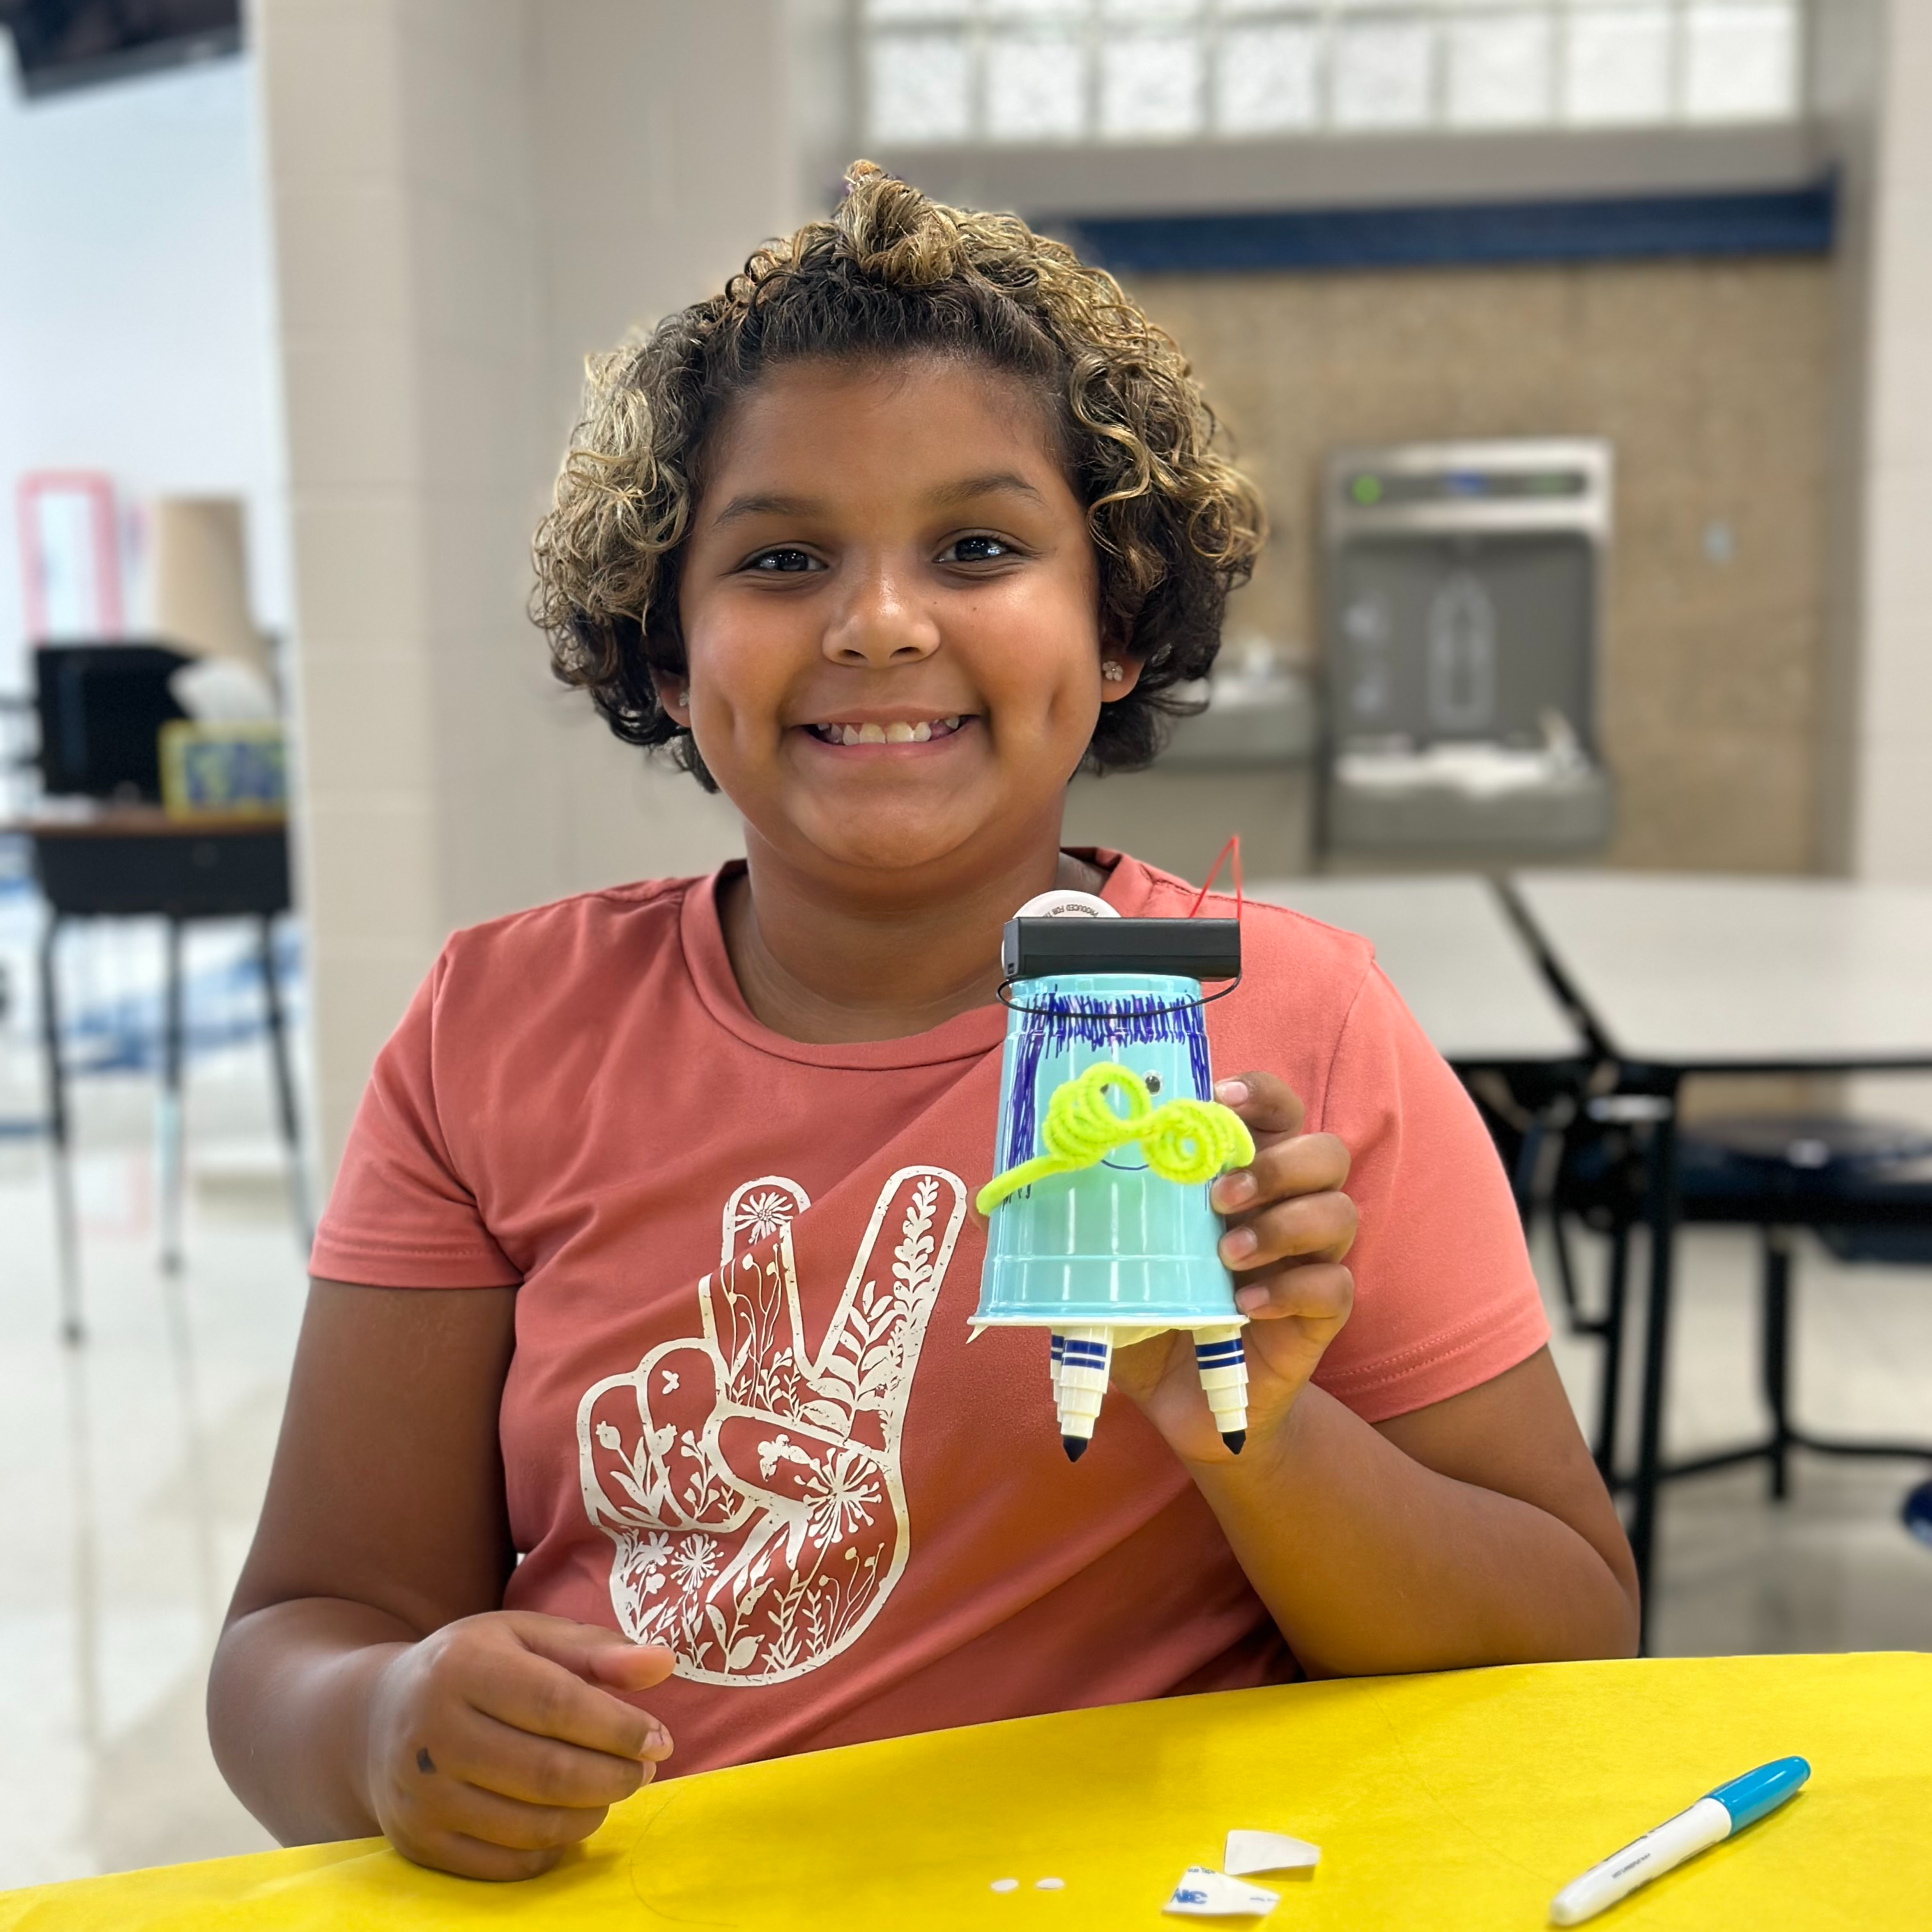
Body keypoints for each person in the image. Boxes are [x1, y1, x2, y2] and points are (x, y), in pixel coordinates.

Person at [209, 162, 1637, 1883]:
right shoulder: (496, 1033)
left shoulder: (1295, 1028)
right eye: (784, 554)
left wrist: (1252, 1422)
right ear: (667, 656)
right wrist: (385, 1728)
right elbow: (304, 1626)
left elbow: (1567, 1638)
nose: (880, 622)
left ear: (1114, 626)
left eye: (977, 546)